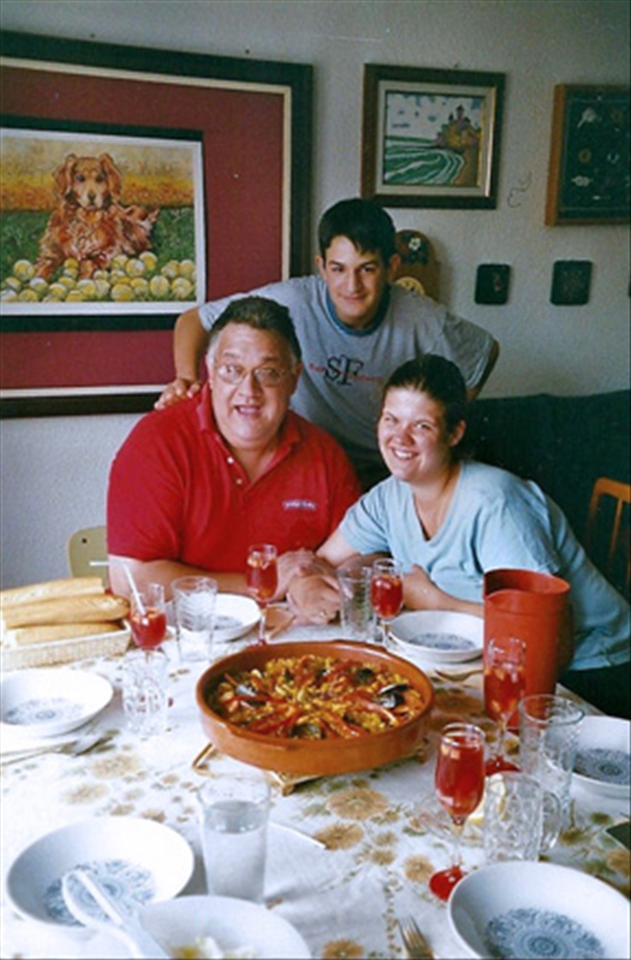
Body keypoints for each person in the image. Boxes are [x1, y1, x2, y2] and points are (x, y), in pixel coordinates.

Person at [288, 355, 631, 718]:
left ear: (454, 433)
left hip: (593, 670)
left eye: (421, 426)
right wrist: (304, 584)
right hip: (483, 660)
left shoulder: (496, 504)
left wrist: (434, 600)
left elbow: (549, 645)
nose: (399, 438)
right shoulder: (389, 496)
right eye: (391, 419)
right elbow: (321, 561)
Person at [156, 197, 500, 489]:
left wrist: (437, 420)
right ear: (321, 266)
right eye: (338, 269)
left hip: (381, 474)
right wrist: (187, 379)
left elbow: (484, 352)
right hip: (303, 464)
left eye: (366, 270)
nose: (351, 286)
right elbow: (192, 321)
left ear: (392, 267)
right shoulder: (292, 299)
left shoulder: (423, 318)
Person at [107, 296, 362, 600]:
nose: (248, 391)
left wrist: (317, 582)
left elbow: (359, 555)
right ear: (211, 373)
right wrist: (259, 584)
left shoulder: (325, 455)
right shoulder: (157, 443)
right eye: (232, 370)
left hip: (290, 636)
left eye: (267, 373)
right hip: (183, 635)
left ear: (293, 379)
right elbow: (131, 580)